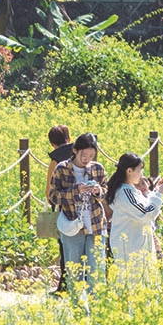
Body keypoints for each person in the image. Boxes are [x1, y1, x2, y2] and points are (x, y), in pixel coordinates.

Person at [48, 132, 107, 305]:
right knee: (74, 274)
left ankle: (97, 313)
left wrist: (98, 191)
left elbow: (106, 192)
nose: (87, 159)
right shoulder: (61, 168)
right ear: (74, 150)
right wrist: (76, 191)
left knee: (97, 272)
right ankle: (78, 313)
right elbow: (53, 196)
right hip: (73, 228)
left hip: (96, 226)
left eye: (91, 155)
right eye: (84, 155)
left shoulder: (98, 168)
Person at [105, 152, 163, 268]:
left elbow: (144, 205)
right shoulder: (125, 192)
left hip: (135, 245)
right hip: (131, 247)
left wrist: (156, 191)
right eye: (139, 170)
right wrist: (158, 195)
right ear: (129, 171)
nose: (141, 174)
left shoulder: (130, 190)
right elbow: (145, 213)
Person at [45, 124, 72, 294]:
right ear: (69, 138)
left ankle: (64, 285)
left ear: (52, 143)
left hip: (63, 211)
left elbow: (49, 192)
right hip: (85, 209)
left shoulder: (55, 161)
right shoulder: (82, 155)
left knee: (64, 247)